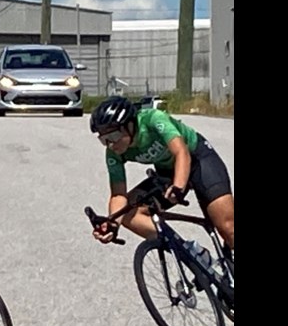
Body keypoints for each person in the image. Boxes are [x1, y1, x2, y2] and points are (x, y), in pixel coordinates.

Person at [88, 95, 234, 253]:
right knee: (128, 213)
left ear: (130, 125)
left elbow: (181, 152)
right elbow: (118, 195)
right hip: (167, 172)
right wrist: (112, 223)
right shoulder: (113, 152)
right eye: (104, 140)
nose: (110, 144)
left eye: (113, 137)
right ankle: (189, 253)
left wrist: (178, 187)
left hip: (198, 159)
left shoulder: (153, 120)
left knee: (228, 228)